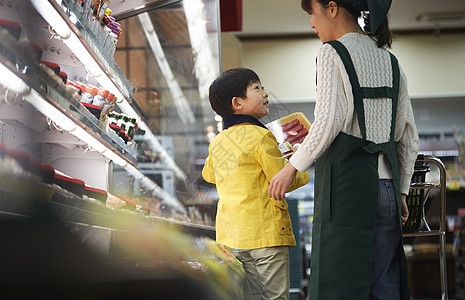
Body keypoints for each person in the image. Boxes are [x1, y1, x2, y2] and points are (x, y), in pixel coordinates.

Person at [268, 0, 419, 299]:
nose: (312, 23)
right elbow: (409, 136)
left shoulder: (330, 53)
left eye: (312, 12)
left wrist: (290, 168)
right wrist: (401, 191)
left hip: (348, 191)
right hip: (387, 190)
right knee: (385, 284)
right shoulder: (390, 60)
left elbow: (326, 123)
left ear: (332, 8)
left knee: (340, 286)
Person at [202, 67, 310, 300]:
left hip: (232, 236)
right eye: (257, 88)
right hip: (266, 235)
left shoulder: (218, 142)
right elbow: (282, 181)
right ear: (237, 103)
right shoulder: (262, 136)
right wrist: (297, 164)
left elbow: (209, 175)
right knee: (275, 297)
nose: (265, 94)